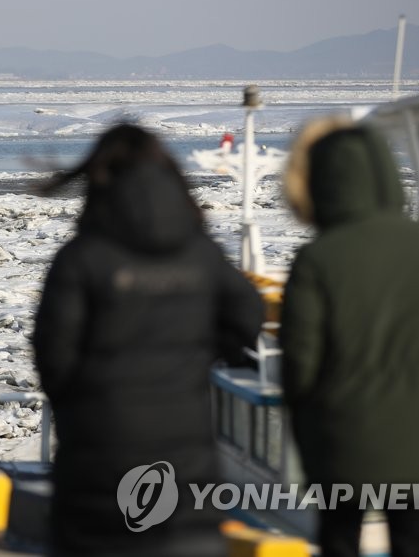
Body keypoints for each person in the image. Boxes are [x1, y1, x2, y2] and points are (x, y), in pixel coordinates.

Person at [32, 123, 264, 556]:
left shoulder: (82, 259)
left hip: (97, 464)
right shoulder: (201, 254)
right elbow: (247, 314)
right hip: (185, 467)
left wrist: (85, 405)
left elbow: (53, 357)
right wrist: (199, 361)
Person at [279, 118, 419, 557]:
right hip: (418, 440)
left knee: (341, 542)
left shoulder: (319, 260)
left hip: (340, 442)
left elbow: (300, 364)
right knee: (413, 544)